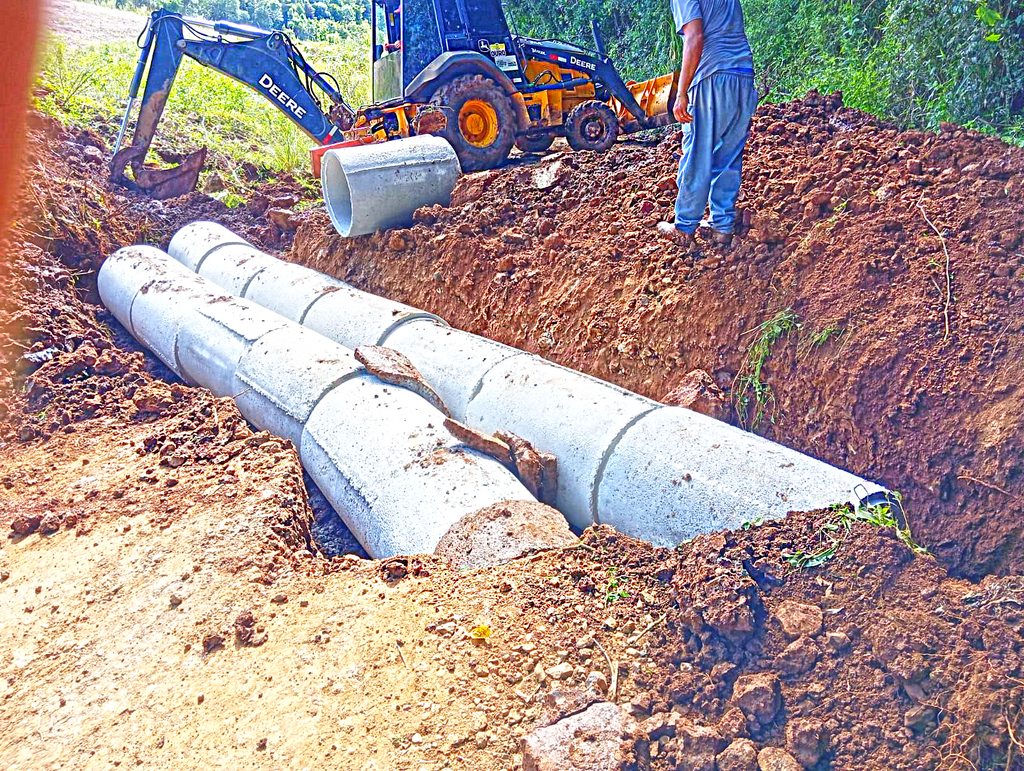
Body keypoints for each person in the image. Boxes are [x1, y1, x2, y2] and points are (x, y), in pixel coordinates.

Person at [656, 0, 758, 252]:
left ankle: (685, 227)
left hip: (712, 76)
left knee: (698, 154)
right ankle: (722, 227)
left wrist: (682, 93)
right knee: (729, 155)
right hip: (743, 74)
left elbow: (695, 37)